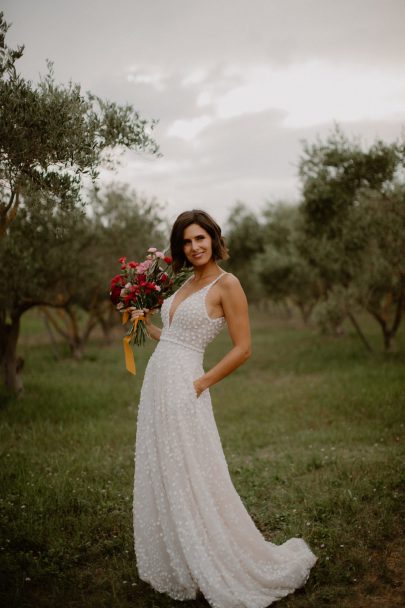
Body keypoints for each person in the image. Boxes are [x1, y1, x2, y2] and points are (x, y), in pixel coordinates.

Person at [129, 210, 317, 608]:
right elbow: (176, 338)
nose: (194, 247)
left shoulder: (226, 284)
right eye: (185, 241)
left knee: (192, 472)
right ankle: (182, 557)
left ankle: (213, 556)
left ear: (213, 238)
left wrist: (200, 384)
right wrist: (145, 323)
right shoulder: (185, 282)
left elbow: (243, 348)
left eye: (200, 238)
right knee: (167, 467)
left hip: (186, 386)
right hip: (158, 382)